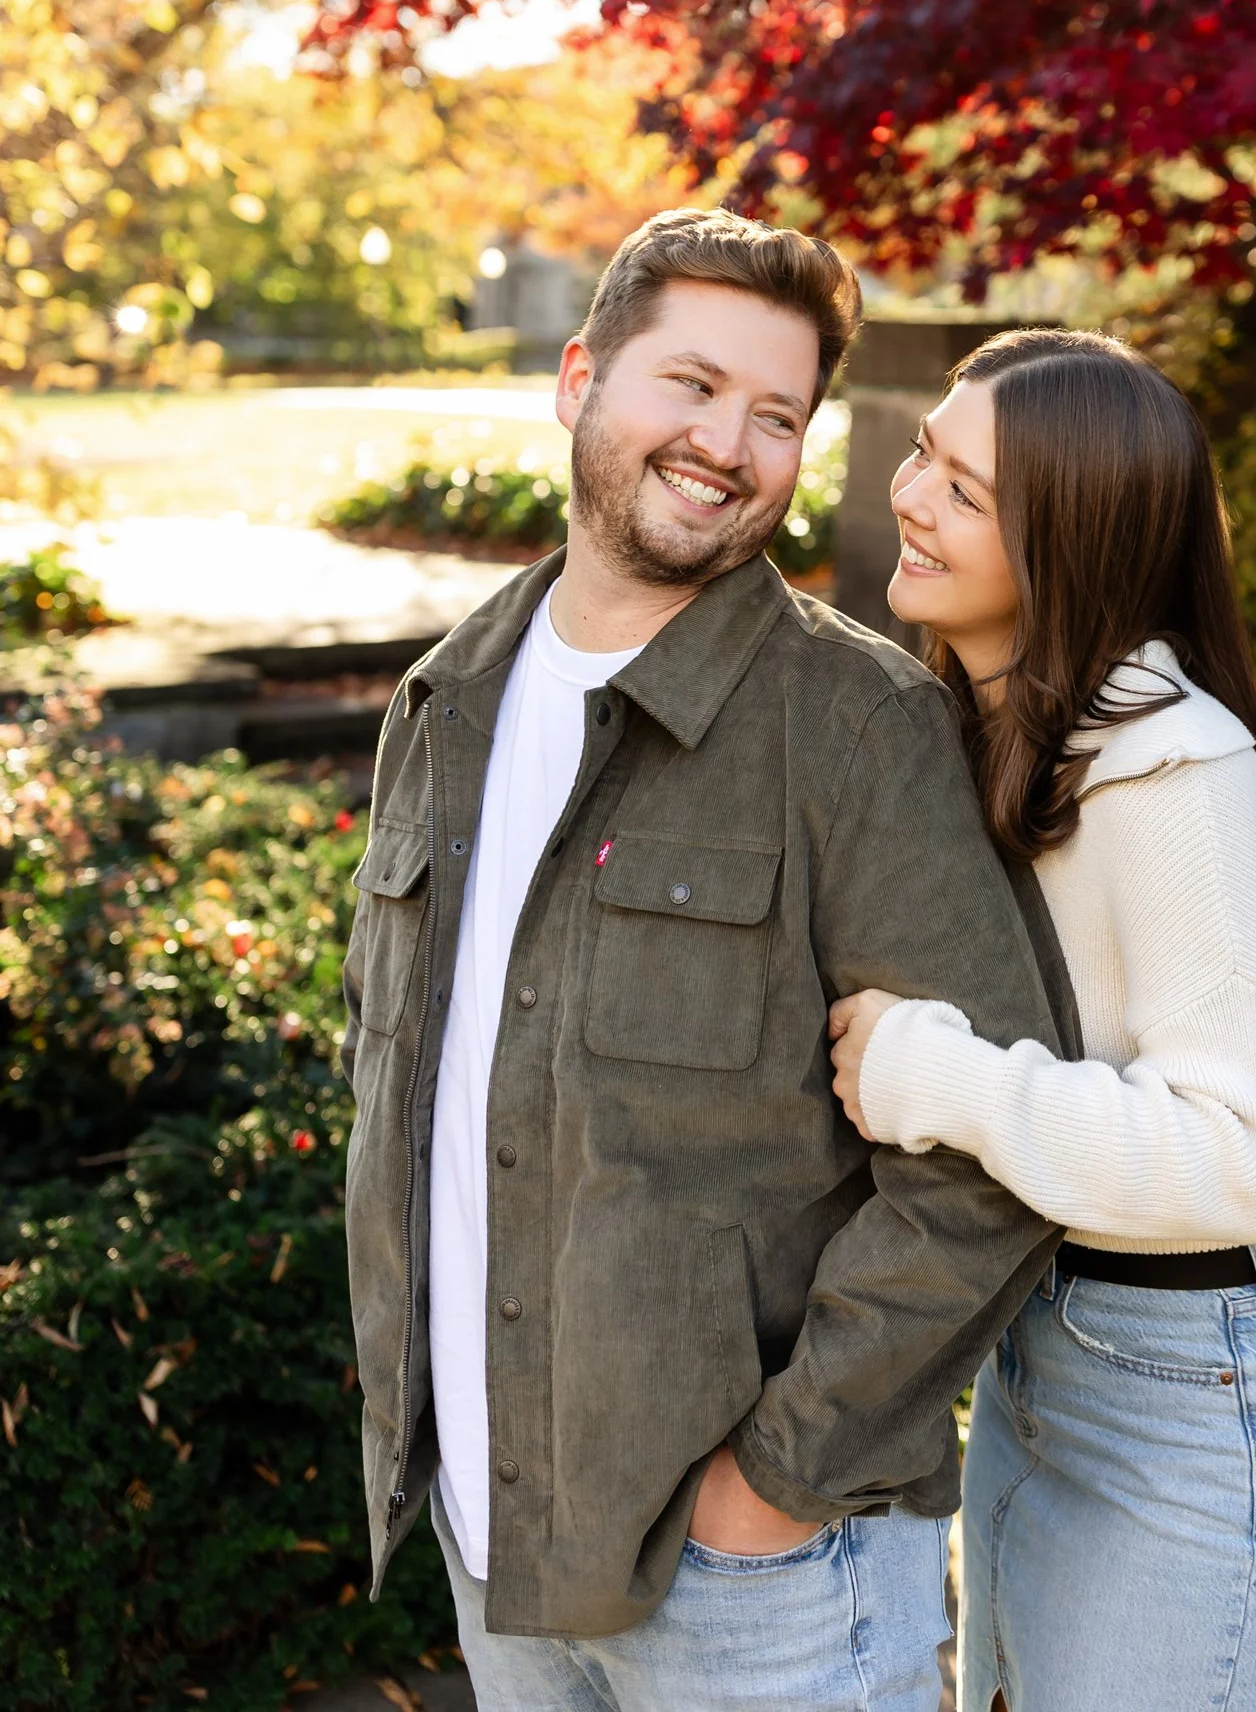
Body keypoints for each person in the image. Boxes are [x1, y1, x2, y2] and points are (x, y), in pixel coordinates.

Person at [340, 212, 1069, 1712]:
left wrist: (772, 1486)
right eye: (689, 384)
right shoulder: (446, 700)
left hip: (761, 1595)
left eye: (776, 415)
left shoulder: (852, 727)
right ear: (579, 378)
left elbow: (991, 1152)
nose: (726, 444)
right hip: (495, 1542)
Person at [828, 328, 1256, 1712]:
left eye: (966, 491)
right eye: (922, 456)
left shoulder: (1170, 772)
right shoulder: (1001, 721)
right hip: (1054, 1335)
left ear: (1069, 545)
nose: (910, 496)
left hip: (1195, 1386)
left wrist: (923, 1072)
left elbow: (1232, 1154)